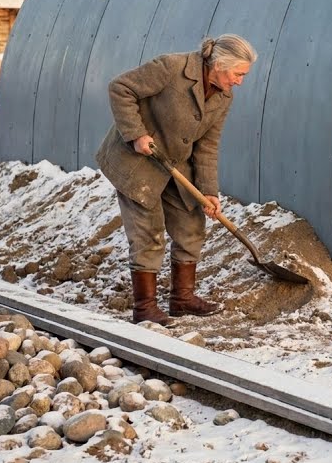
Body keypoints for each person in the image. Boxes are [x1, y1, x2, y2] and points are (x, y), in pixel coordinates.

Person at [96, 34, 257, 324]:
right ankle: (145, 307)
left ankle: (182, 299)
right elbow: (120, 88)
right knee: (149, 230)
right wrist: (135, 133)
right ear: (219, 64)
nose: (240, 82)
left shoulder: (223, 96)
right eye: (238, 74)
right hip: (138, 160)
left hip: (175, 163)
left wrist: (209, 191)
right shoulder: (172, 68)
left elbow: (207, 145)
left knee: (190, 223)